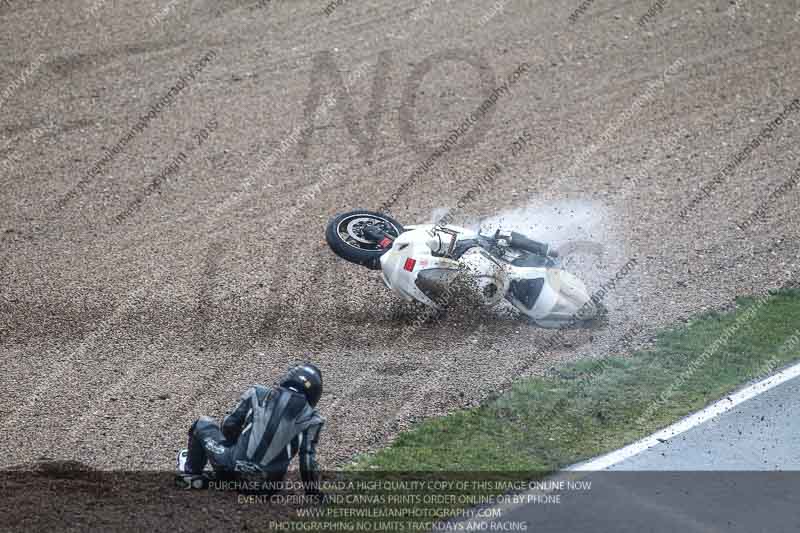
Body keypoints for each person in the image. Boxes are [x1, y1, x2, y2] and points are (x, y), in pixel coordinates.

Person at [176, 363, 325, 494]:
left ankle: (191, 474)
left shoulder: (257, 393)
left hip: (232, 467)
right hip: (268, 487)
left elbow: (228, 424)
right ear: (314, 395)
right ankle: (228, 480)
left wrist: (234, 448)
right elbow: (307, 462)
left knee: (203, 423)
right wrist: (314, 494)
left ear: (287, 378)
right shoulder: (313, 419)